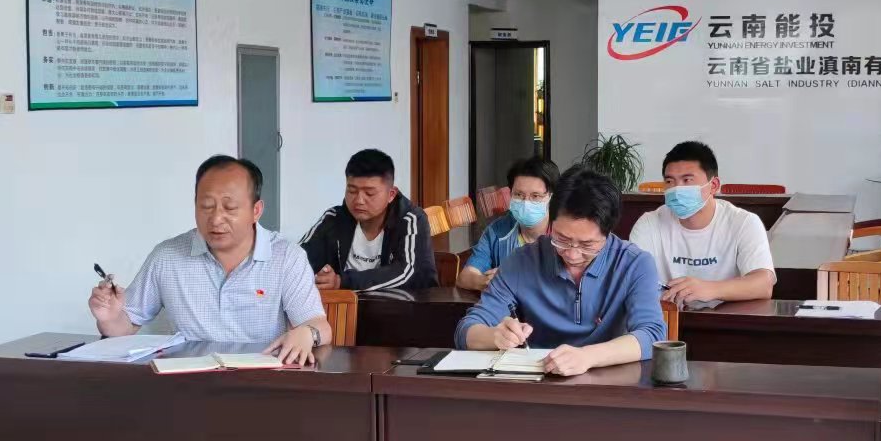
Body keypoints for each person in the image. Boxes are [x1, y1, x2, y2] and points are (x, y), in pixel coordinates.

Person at [88, 155, 331, 366]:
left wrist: (307, 333)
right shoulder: (167, 257)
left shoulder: (286, 257)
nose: (216, 219)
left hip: (260, 382)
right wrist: (110, 318)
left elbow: (320, 326)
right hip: (188, 383)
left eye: (230, 208)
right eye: (206, 206)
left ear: (256, 211)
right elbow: (126, 325)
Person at [456, 166, 664, 376]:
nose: (572, 255)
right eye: (561, 239)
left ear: (608, 233)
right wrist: (494, 336)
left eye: (587, 245)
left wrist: (588, 357)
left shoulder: (634, 264)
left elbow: (652, 334)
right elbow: (466, 329)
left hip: (608, 380)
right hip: (540, 378)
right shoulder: (523, 261)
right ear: (551, 221)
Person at [630, 140, 776, 306]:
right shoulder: (648, 224)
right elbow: (632, 281)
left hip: (726, 317)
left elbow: (763, 285)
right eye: (670, 181)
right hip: (667, 318)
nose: (677, 189)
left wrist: (709, 289)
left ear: (713, 185)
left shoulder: (744, 223)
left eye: (687, 180)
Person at [300, 148, 436, 293]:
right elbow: (296, 260)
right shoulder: (334, 218)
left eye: (369, 193)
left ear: (391, 194)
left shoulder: (411, 219)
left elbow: (408, 273)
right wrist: (321, 277)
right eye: (352, 191)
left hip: (403, 305)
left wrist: (342, 281)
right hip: (347, 306)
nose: (359, 200)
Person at [456, 156, 560, 292]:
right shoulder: (498, 231)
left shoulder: (565, 234)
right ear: (510, 194)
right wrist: (487, 282)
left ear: (552, 197)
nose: (526, 203)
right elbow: (465, 277)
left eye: (535, 196)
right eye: (519, 194)